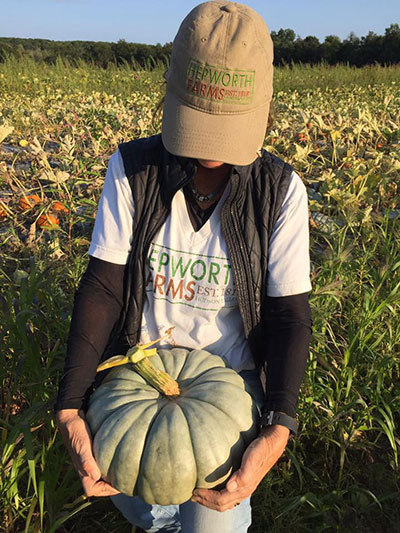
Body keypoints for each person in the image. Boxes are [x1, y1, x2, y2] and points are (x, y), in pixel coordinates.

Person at [55, 1, 312, 532]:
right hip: (140, 381)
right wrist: (70, 405)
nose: (210, 149)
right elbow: (104, 287)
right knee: (148, 512)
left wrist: (279, 426)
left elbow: (289, 316)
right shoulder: (132, 170)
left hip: (228, 392)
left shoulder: (281, 191)